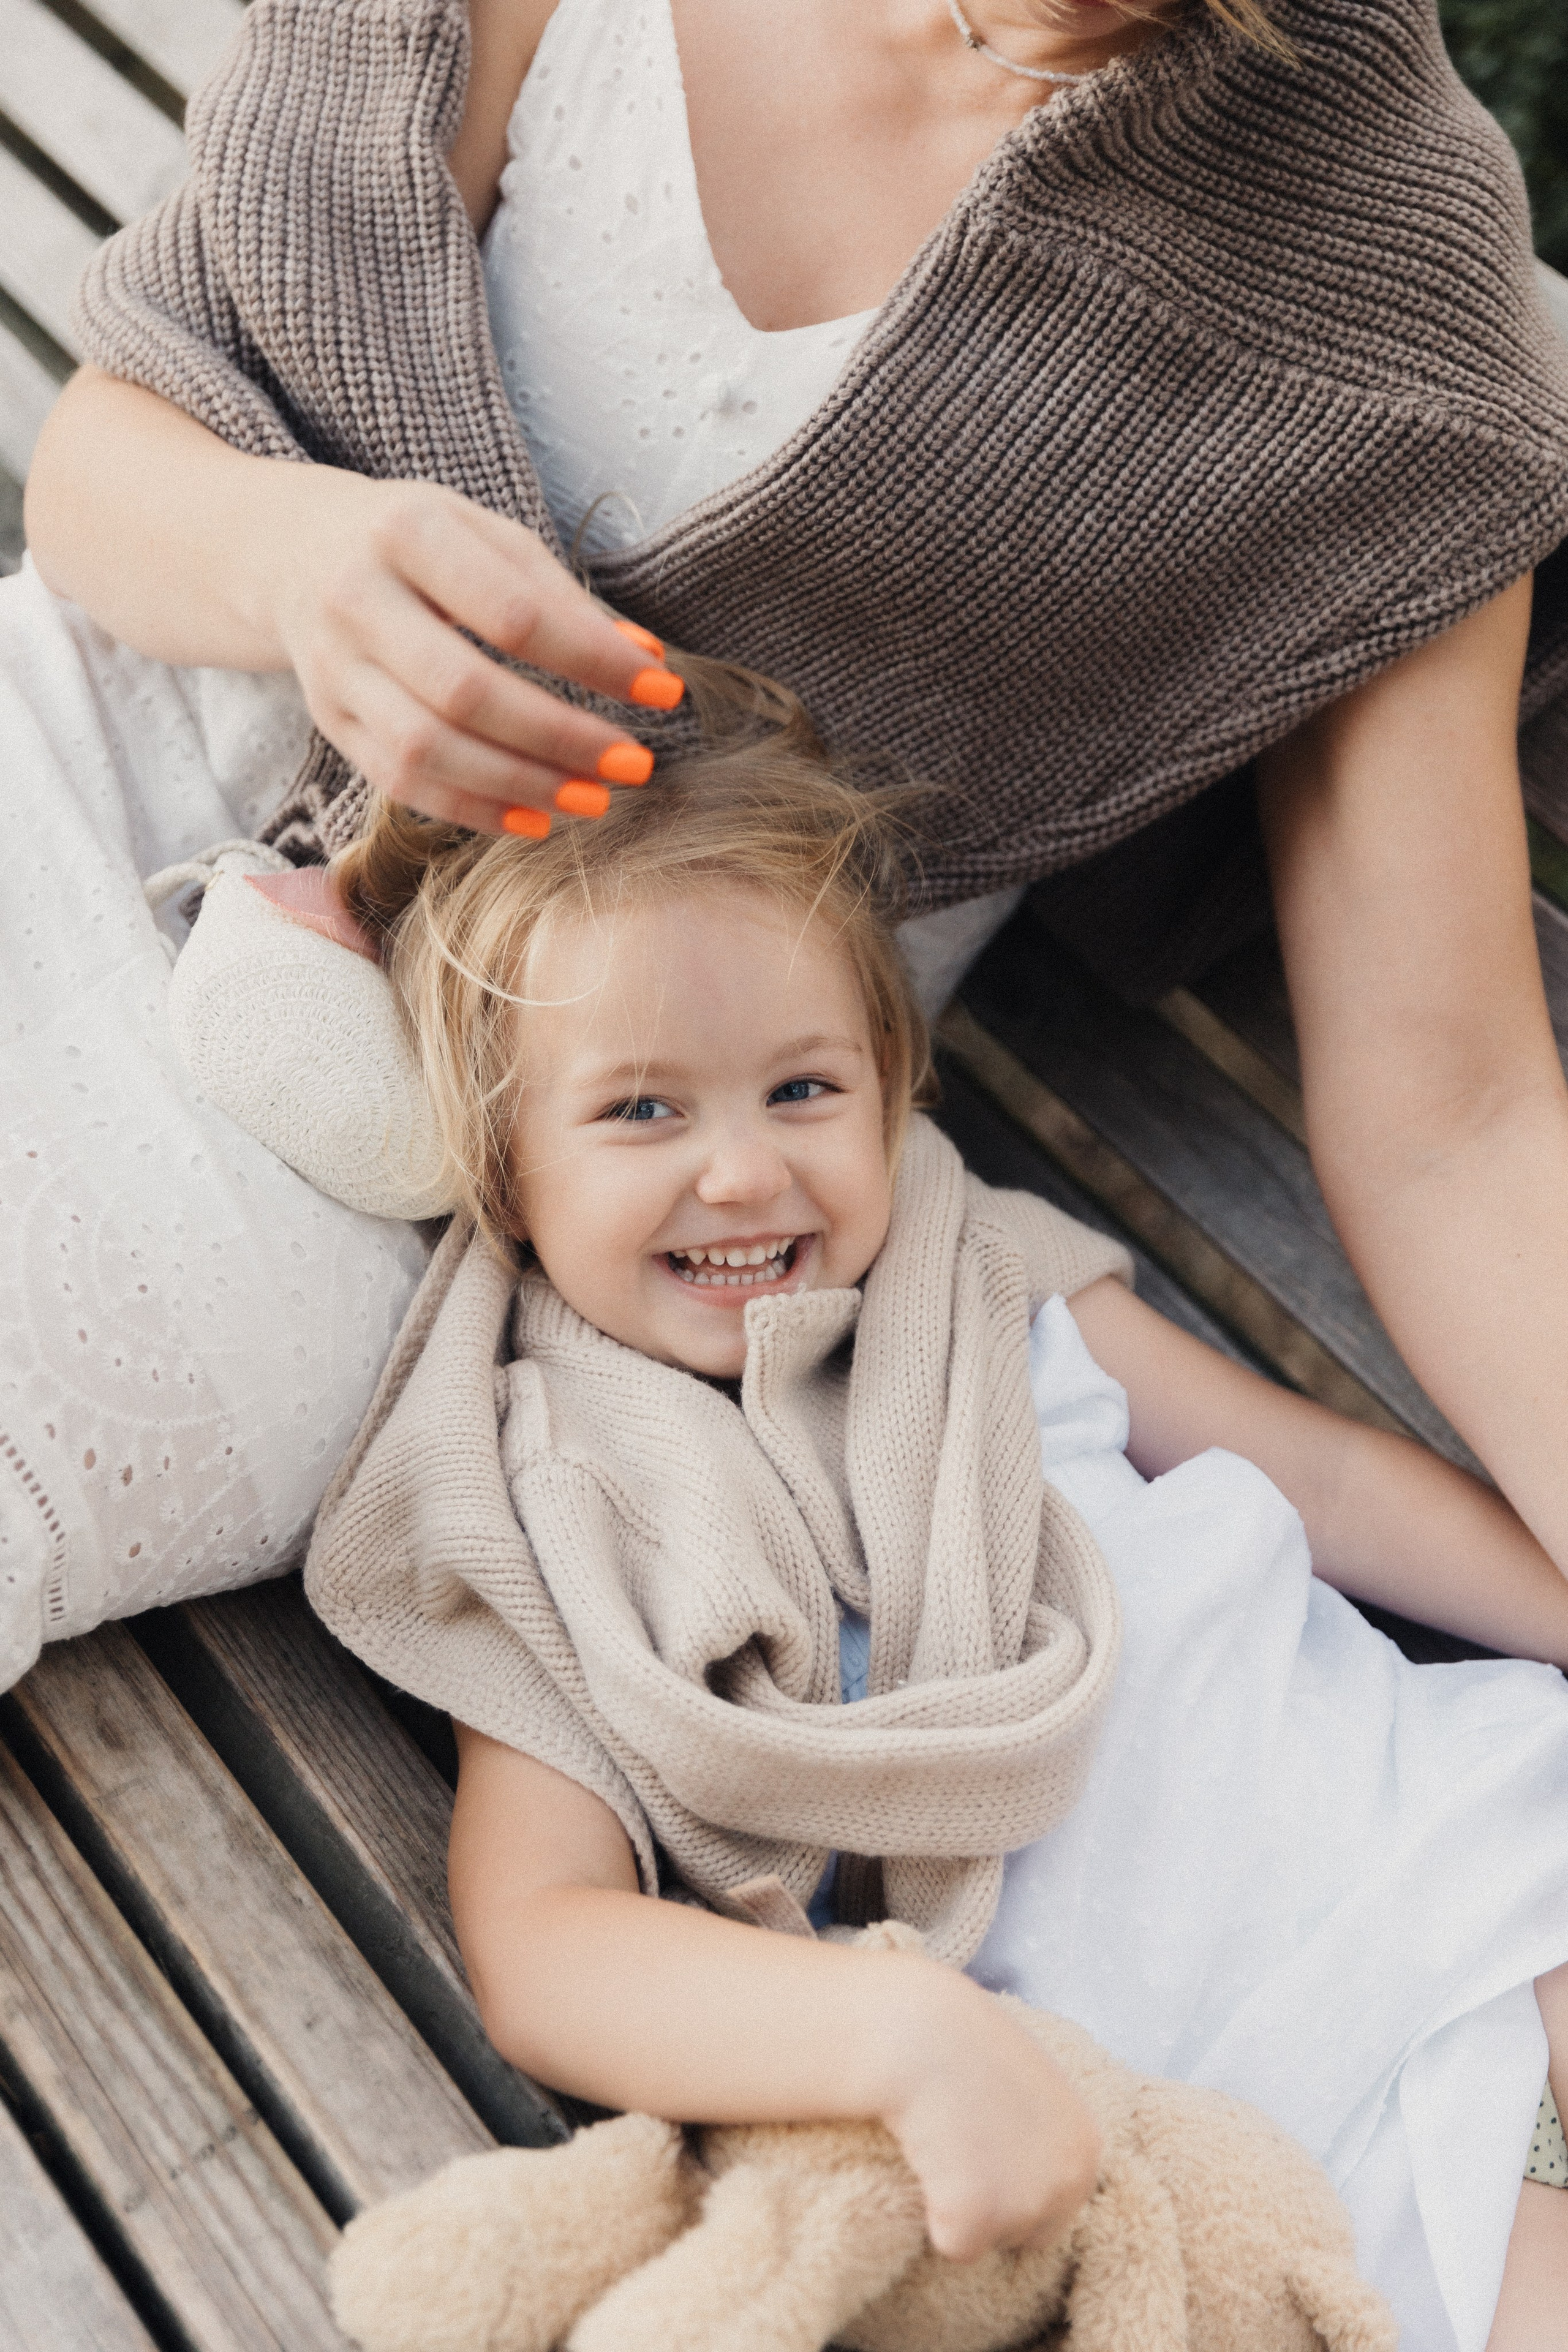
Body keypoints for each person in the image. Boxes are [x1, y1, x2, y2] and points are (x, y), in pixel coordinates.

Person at [6, 0, 1568, 1669]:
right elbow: (99, 465)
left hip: (483, 1140)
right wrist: (295, 559)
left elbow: (1454, 1121)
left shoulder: (1387, 307)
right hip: (85, 741)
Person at [296, 741, 1568, 2350]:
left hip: (1485, 1833)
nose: (744, 1165)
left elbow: (1328, 1488)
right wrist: (891, 2032)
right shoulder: (560, 1516)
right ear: (504, 1166)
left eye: (805, 1089)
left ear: (890, 1094)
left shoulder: (987, 1285)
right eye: (639, 1109)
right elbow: (546, 1942)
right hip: (1316, 2087)